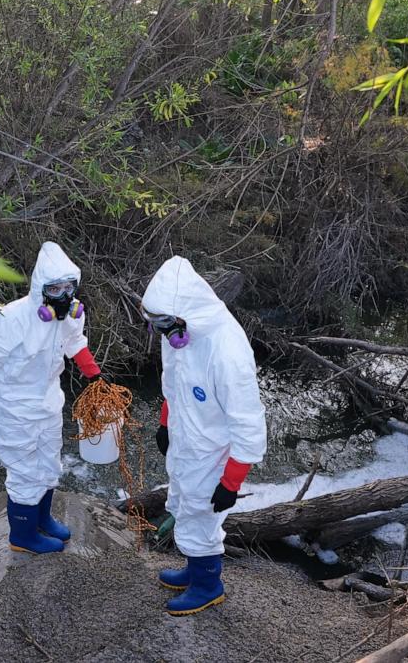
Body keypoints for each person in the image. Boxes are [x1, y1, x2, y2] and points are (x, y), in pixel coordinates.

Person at [0, 241, 100, 554]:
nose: (65, 297)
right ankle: (22, 536)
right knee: (25, 471)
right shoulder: (11, 320)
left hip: (47, 400)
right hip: (12, 405)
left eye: (69, 288)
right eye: (55, 289)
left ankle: (41, 518)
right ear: (40, 290)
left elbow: (75, 343)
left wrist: (94, 376)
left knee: (49, 463)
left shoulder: (70, 317)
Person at [142, 256, 267, 615]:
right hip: (187, 439)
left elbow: (248, 425)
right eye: (154, 323)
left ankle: (209, 585)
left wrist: (231, 482)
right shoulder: (178, 335)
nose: (159, 331)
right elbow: (173, 383)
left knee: (202, 513)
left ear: (184, 312)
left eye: (162, 322)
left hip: (213, 450)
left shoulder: (226, 351)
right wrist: (166, 423)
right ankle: (194, 569)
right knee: (181, 504)